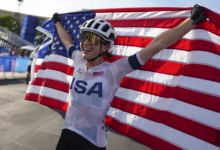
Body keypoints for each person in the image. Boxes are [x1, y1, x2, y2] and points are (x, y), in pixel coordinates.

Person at [52, 5, 206, 150]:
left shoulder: (114, 69)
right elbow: (66, 40)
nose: (85, 43)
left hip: (91, 141)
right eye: (84, 37)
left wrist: (192, 21)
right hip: (66, 133)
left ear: (106, 47)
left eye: (92, 39)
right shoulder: (78, 58)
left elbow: (155, 46)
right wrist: (57, 22)